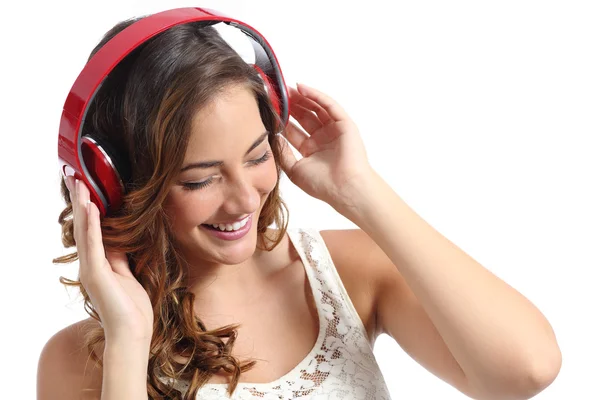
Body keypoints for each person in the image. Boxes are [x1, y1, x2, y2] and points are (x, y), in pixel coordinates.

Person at [37, 9, 562, 400]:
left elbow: (525, 370)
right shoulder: (83, 359)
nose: (245, 199)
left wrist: (360, 190)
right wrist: (129, 340)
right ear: (116, 184)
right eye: (199, 181)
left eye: (258, 155)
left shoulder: (347, 271)